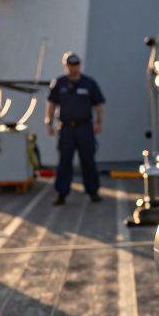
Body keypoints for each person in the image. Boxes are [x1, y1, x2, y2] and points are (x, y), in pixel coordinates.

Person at [46, 52, 104, 205]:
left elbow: (98, 104)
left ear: (80, 65)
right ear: (66, 66)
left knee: (88, 160)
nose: (74, 68)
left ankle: (93, 191)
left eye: (76, 65)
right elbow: (51, 104)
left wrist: (99, 122)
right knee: (65, 161)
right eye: (71, 65)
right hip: (66, 129)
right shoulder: (59, 83)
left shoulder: (89, 83)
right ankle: (62, 193)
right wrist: (49, 122)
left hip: (85, 128)